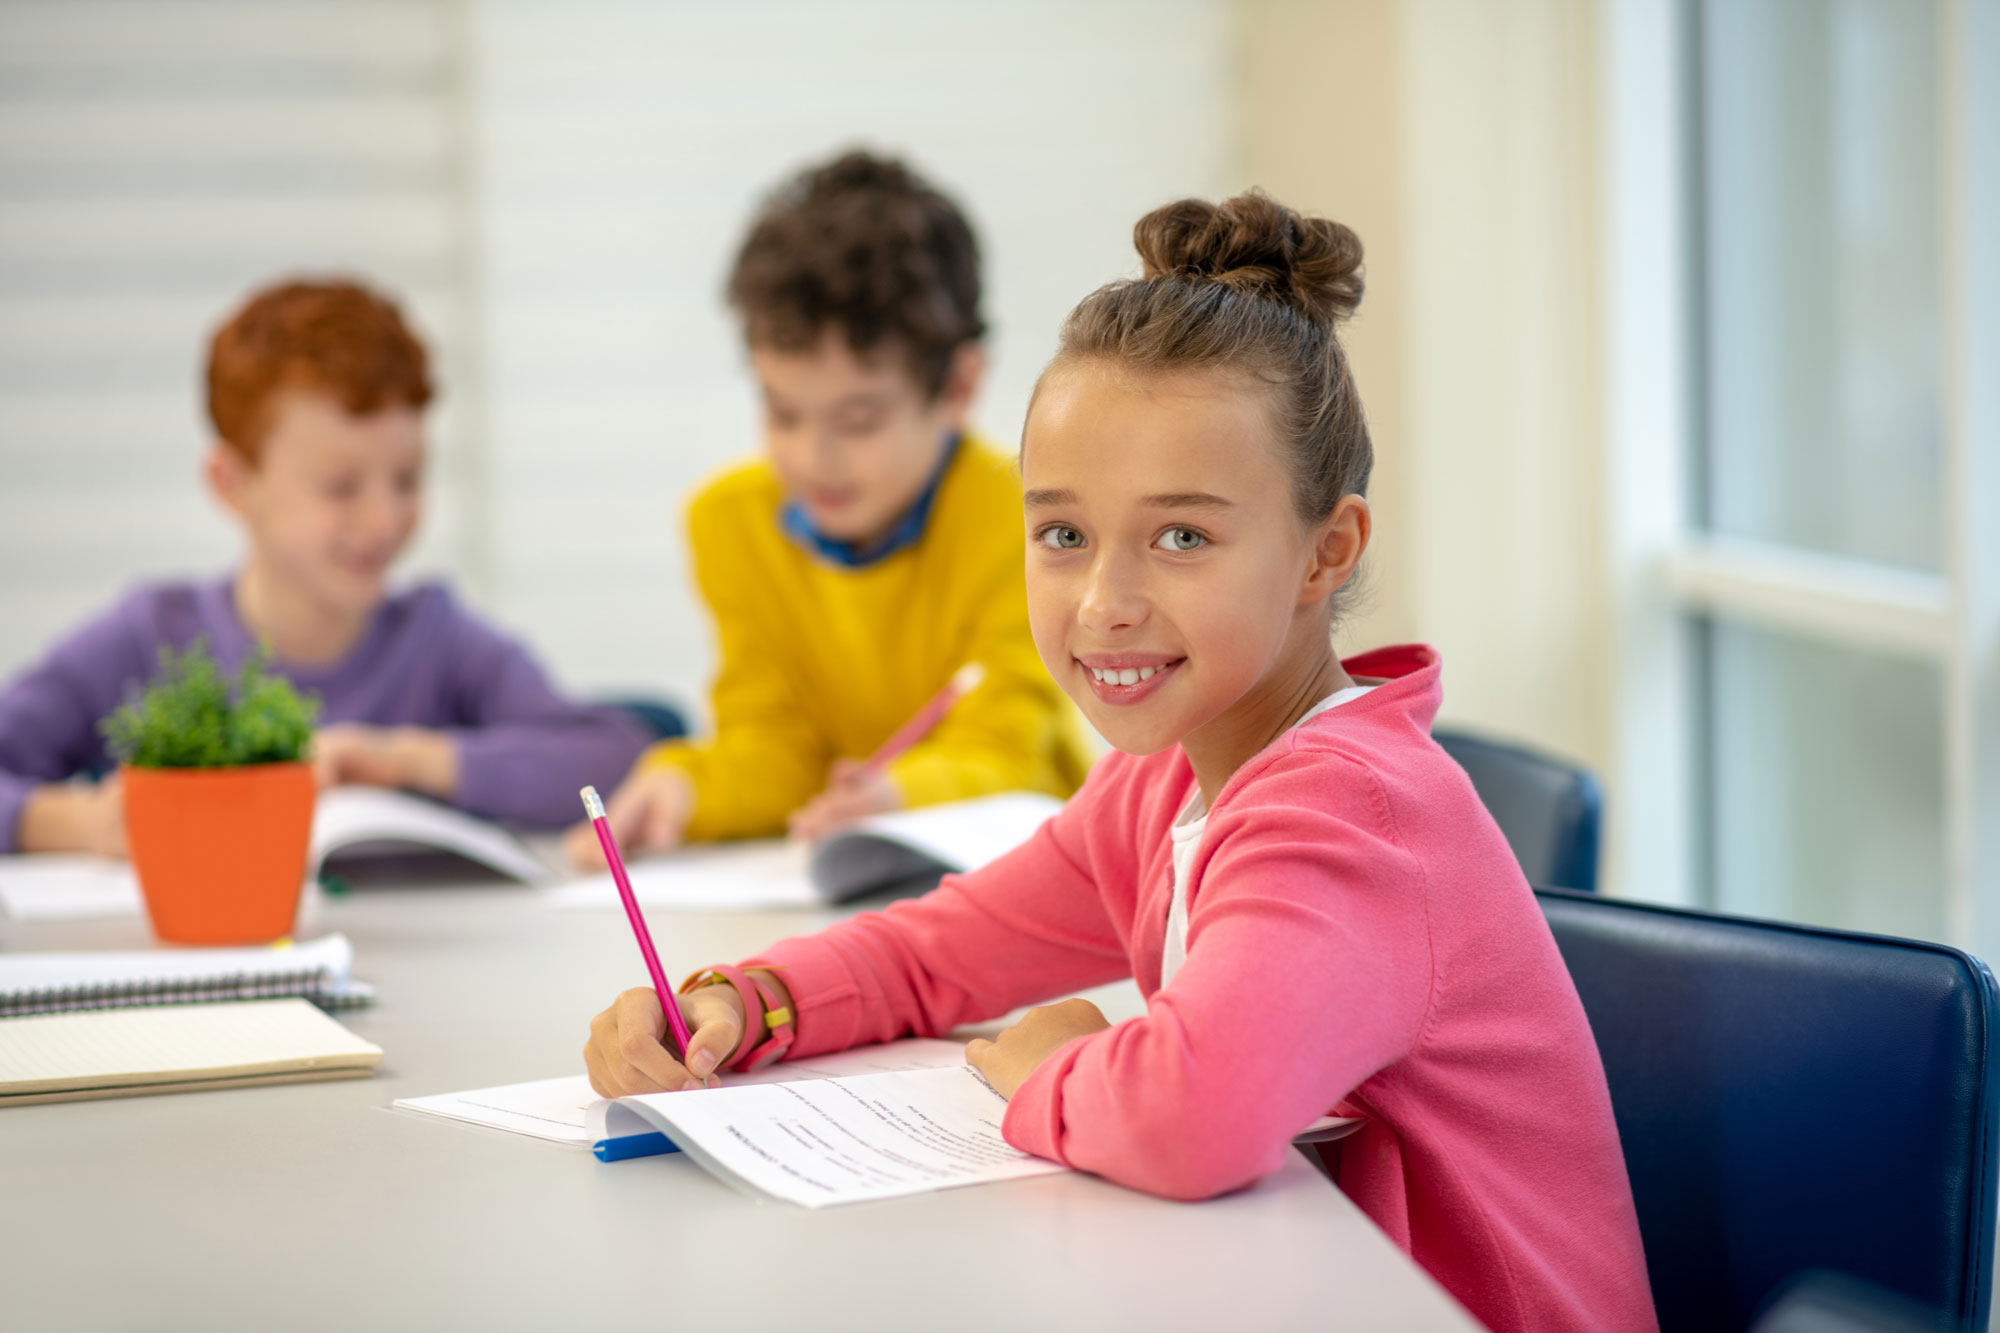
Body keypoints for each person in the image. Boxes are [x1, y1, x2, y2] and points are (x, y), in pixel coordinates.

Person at [582, 191, 1657, 1332]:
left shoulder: (1350, 815)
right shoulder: (1162, 780)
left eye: (1180, 537)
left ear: (1323, 552)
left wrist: (1054, 1057)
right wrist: (745, 1002)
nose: (1104, 603)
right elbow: (932, 953)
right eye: (1062, 534)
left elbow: (1196, 1113)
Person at [0, 278, 651, 855]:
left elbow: (612, 758)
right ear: (233, 483)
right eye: (340, 486)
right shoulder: (148, 639)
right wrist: (75, 824)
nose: (383, 519)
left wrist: (406, 760)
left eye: (407, 478)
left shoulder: (439, 638)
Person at [565, 151, 1088, 867]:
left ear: (959, 385)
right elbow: (776, 749)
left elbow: (1013, 757)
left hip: (1026, 871)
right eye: (783, 413)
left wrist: (899, 795)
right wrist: (688, 785)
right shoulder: (731, 523)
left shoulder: (1027, 519)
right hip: (848, 877)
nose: (815, 459)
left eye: (859, 420)